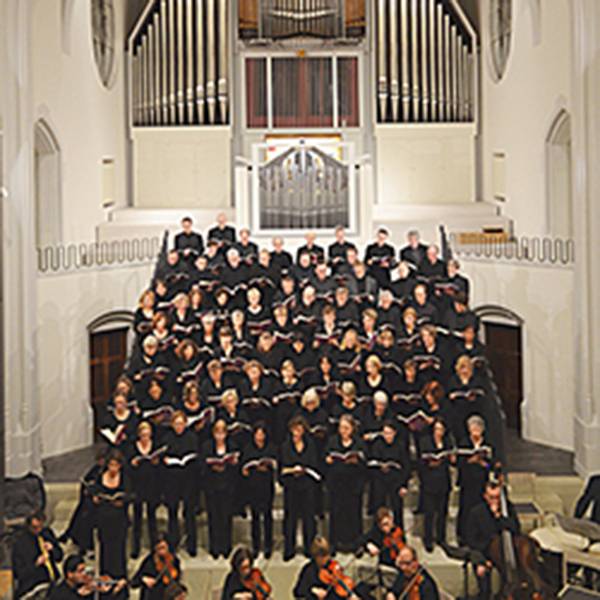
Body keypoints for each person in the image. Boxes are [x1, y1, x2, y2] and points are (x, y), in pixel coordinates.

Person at [466, 482, 520, 600]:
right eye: (491, 497)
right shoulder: (476, 512)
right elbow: (471, 540)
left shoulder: (508, 509)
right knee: (484, 581)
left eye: (497, 497)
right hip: (484, 553)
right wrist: (484, 561)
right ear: (485, 496)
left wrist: (498, 517)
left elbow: (515, 528)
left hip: (506, 553)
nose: (495, 501)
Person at [280, 416, 320, 561]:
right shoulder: (286, 446)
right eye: (294, 429)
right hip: (291, 486)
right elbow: (283, 467)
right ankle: (289, 548)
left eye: (300, 428)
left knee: (308, 518)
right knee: (290, 518)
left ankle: (309, 548)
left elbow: (314, 463)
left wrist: (304, 469)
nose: (297, 432)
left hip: (307, 485)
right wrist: (293, 470)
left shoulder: (310, 445)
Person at [325, 414, 367, 553]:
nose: (343, 431)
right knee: (336, 513)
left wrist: (357, 461)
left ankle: (356, 543)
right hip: (337, 484)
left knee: (354, 514)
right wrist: (328, 460)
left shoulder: (359, 443)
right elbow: (326, 457)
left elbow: (364, 464)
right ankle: (334, 543)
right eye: (341, 428)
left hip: (353, 484)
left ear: (352, 428)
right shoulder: (332, 441)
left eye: (346, 428)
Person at [90, 450, 131, 589]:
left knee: (118, 548)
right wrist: (96, 498)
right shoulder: (100, 476)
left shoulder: (124, 478)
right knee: (105, 547)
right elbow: (94, 492)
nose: (113, 468)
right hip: (104, 518)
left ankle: (120, 577)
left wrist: (122, 501)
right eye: (111, 465)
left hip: (119, 519)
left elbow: (130, 494)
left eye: (116, 465)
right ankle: (106, 576)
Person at [202, 419, 240, 559]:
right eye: (217, 432)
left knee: (226, 517)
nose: (220, 435)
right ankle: (215, 547)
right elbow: (202, 465)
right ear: (213, 433)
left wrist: (232, 464)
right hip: (212, 486)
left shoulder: (232, 445)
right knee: (213, 517)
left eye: (222, 432)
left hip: (227, 486)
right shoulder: (207, 446)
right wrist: (213, 467)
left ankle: (226, 547)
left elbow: (236, 469)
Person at [163, 411, 199, 556]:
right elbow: (163, 456)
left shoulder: (192, 437)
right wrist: (166, 460)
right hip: (172, 480)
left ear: (185, 423)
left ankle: (192, 545)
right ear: (172, 424)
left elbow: (196, 456)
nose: (179, 426)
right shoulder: (167, 438)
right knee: (172, 512)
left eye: (181, 423)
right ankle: (173, 543)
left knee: (189, 512)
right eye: (176, 424)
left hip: (188, 479)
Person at [241, 422, 277, 558]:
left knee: (267, 515)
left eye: (262, 434)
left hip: (267, 485)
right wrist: (249, 468)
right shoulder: (248, 448)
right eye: (257, 433)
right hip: (253, 486)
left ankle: (268, 545)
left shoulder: (271, 448)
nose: (259, 436)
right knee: (255, 516)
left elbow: (275, 464)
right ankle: (256, 546)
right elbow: (244, 468)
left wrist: (268, 465)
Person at [127, 421, 162, 557]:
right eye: (143, 435)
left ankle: (154, 546)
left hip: (152, 485)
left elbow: (160, 468)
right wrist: (133, 463)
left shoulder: (155, 446)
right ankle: (136, 547)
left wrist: (156, 463)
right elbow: (128, 468)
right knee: (137, 517)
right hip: (138, 486)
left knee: (152, 517)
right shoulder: (132, 447)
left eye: (147, 435)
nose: (145, 438)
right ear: (139, 434)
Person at [293, 535, 368, 600]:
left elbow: (341, 585)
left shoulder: (333, 565)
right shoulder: (308, 570)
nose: (326, 559)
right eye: (322, 556)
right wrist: (313, 590)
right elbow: (297, 592)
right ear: (316, 556)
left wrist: (351, 595)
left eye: (327, 555)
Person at [419, 418, 455, 551]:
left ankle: (441, 538)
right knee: (429, 512)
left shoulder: (447, 442)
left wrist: (451, 458)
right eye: (437, 429)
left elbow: (452, 461)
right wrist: (430, 462)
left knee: (442, 512)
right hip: (429, 480)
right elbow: (421, 461)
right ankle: (428, 539)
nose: (439, 432)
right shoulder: (425, 441)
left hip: (443, 480)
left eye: (441, 429)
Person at [12, 512, 63, 599]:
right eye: (35, 528)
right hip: (33, 584)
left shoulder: (46, 533)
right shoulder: (20, 543)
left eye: (41, 527)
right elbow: (19, 573)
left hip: (51, 580)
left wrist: (52, 549)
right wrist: (36, 564)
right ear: (28, 526)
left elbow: (59, 556)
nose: (38, 530)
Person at [131, 534, 182, 600]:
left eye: (163, 548)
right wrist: (144, 579)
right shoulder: (149, 561)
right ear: (155, 548)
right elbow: (134, 582)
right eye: (159, 548)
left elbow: (177, 581)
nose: (162, 551)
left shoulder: (174, 560)